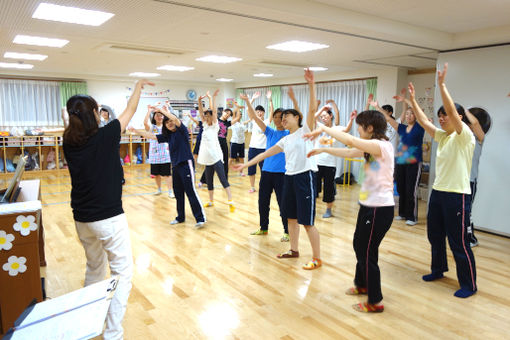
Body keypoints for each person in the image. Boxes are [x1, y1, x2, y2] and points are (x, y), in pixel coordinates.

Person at [63, 79, 154, 339]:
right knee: (122, 273)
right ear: (94, 115)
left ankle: (86, 322)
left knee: (94, 268)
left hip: (82, 218)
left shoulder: (68, 141)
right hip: (109, 218)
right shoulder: (107, 135)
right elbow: (131, 109)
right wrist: (137, 86)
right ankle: (113, 334)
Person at [306, 109, 395, 313]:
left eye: (360, 128)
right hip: (368, 206)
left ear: (370, 128)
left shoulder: (381, 145)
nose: (358, 132)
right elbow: (348, 151)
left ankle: (375, 301)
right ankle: (362, 284)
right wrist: (324, 150)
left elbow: (351, 142)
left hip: (379, 208)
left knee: (367, 251)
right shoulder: (372, 147)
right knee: (359, 244)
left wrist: (323, 128)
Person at [234, 69, 321, 270]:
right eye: (282, 119)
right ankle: (294, 249)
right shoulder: (285, 139)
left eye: (287, 117)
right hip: (289, 178)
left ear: (297, 119)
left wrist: (311, 84)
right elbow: (265, 154)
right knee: (290, 216)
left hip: (304, 177)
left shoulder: (305, 131)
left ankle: (317, 257)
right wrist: (247, 164)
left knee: (307, 222)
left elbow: (310, 108)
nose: (283, 120)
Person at [409, 63, 477, 298]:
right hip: (438, 193)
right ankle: (438, 269)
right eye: (440, 116)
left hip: (457, 195)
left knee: (458, 242)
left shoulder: (463, 136)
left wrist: (442, 85)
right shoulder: (443, 137)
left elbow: (452, 111)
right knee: (434, 235)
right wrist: (412, 101)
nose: (441, 118)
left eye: (446, 115)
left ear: (458, 118)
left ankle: (469, 285)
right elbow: (424, 122)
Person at [130, 106, 206, 228]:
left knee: (190, 191)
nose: (169, 123)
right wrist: (136, 130)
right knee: (178, 192)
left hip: (186, 164)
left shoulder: (182, 130)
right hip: (175, 166)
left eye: (171, 121)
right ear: (164, 125)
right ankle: (180, 217)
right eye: (167, 122)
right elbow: (152, 137)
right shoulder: (168, 136)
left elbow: (175, 118)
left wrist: (161, 110)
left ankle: (200, 218)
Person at [240, 93, 290, 242]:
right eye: (275, 117)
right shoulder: (270, 132)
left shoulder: (289, 133)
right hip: (267, 173)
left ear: (285, 119)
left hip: (282, 174)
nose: (277, 119)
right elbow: (254, 117)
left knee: (283, 204)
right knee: (263, 202)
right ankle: (263, 228)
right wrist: (249, 101)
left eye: (280, 117)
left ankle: (287, 231)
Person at [375, 94, 425, 225]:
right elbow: (387, 118)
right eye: (407, 114)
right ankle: (402, 213)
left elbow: (417, 109)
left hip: (414, 163)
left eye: (411, 114)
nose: (408, 116)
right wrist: (377, 107)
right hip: (400, 162)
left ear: (416, 116)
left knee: (411, 190)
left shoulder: (420, 128)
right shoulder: (401, 128)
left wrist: (406, 100)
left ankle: (411, 216)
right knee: (402, 188)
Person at [313, 104, 355, 218]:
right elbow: (313, 117)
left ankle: (328, 210)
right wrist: (321, 108)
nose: (323, 118)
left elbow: (346, 129)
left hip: (330, 164)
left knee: (328, 188)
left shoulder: (336, 129)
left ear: (331, 116)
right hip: (317, 162)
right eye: (322, 116)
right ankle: (312, 209)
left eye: (325, 116)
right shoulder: (319, 127)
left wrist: (351, 120)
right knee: (314, 188)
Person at [197, 91, 234, 212]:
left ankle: (230, 200)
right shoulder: (205, 126)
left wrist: (211, 98)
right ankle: (211, 201)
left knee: (223, 179)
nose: (207, 117)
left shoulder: (215, 126)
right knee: (209, 180)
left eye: (209, 116)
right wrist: (199, 100)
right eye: (205, 116)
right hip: (207, 158)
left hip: (216, 157)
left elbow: (212, 111)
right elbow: (201, 112)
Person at [464, 107, 491, 247]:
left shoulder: (479, 138)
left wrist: (464, 111)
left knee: (467, 211)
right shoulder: (462, 136)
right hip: (457, 181)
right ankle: (460, 237)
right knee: (459, 212)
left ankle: (471, 239)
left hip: (470, 181)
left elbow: (475, 124)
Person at [144, 105, 174, 197]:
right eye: (157, 115)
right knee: (156, 174)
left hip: (165, 154)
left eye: (161, 115)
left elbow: (172, 120)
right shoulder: (152, 127)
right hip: (154, 155)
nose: (159, 117)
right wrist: (149, 111)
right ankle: (159, 189)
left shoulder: (167, 126)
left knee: (167, 174)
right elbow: (145, 123)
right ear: (154, 117)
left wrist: (167, 110)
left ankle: (170, 191)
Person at [246, 92, 266, 193]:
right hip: (253, 148)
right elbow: (248, 110)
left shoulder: (266, 122)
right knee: (251, 168)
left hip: (263, 149)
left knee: (264, 169)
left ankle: (264, 186)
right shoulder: (254, 121)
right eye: (257, 111)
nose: (259, 113)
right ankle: (252, 187)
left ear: (264, 113)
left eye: (261, 112)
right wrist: (252, 99)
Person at [228, 103, 247, 176]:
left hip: (241, 142)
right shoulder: (233, 122)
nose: (240, 116)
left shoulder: (242, 123)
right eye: (239, 114)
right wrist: (238, 107)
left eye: (241, 115)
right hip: (234, 142)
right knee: (232, 158)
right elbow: (234, 113)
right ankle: (226, 170)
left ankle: (241, 172)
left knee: (241, 158)